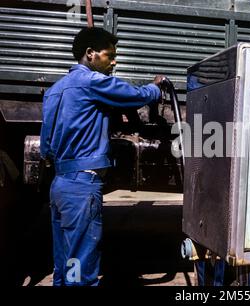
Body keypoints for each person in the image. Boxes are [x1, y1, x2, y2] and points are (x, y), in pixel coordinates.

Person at [40, 27, 166, 286]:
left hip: (60, 185)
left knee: (64, 260)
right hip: (82, 186)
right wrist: (156, 87)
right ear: (90, 54)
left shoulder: (54, 90)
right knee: (80, 265)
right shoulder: (91, 82)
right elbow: (134, 95)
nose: (114, 61)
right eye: (110, 55)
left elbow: (46, 147)